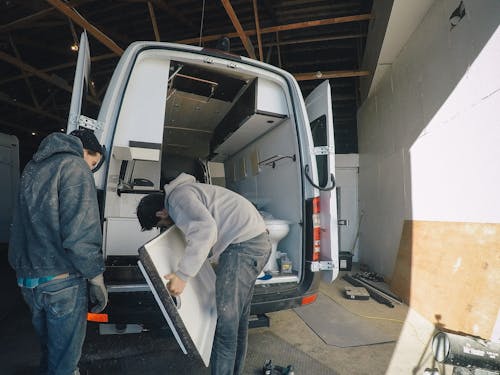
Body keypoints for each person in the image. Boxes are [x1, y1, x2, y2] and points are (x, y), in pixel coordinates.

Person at [137, 173, 271, 375]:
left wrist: (182, 275)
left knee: (225, 326)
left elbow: (206, 230)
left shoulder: (176, 200)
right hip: (255, 243)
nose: (167, 228)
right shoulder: (187, 192)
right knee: (238, 320)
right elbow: (208, 228)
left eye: (161, 226)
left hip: (242, 247)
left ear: (160, 214)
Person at [8, 129, 108, 375]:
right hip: (62, 280)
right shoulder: (74, 165)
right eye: (93, 163)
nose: (91, 170)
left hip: (29, 281)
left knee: (50, 355)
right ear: (87, 150)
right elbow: (81, 234)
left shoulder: (33, 168)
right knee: (64, 363)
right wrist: (96, 278)